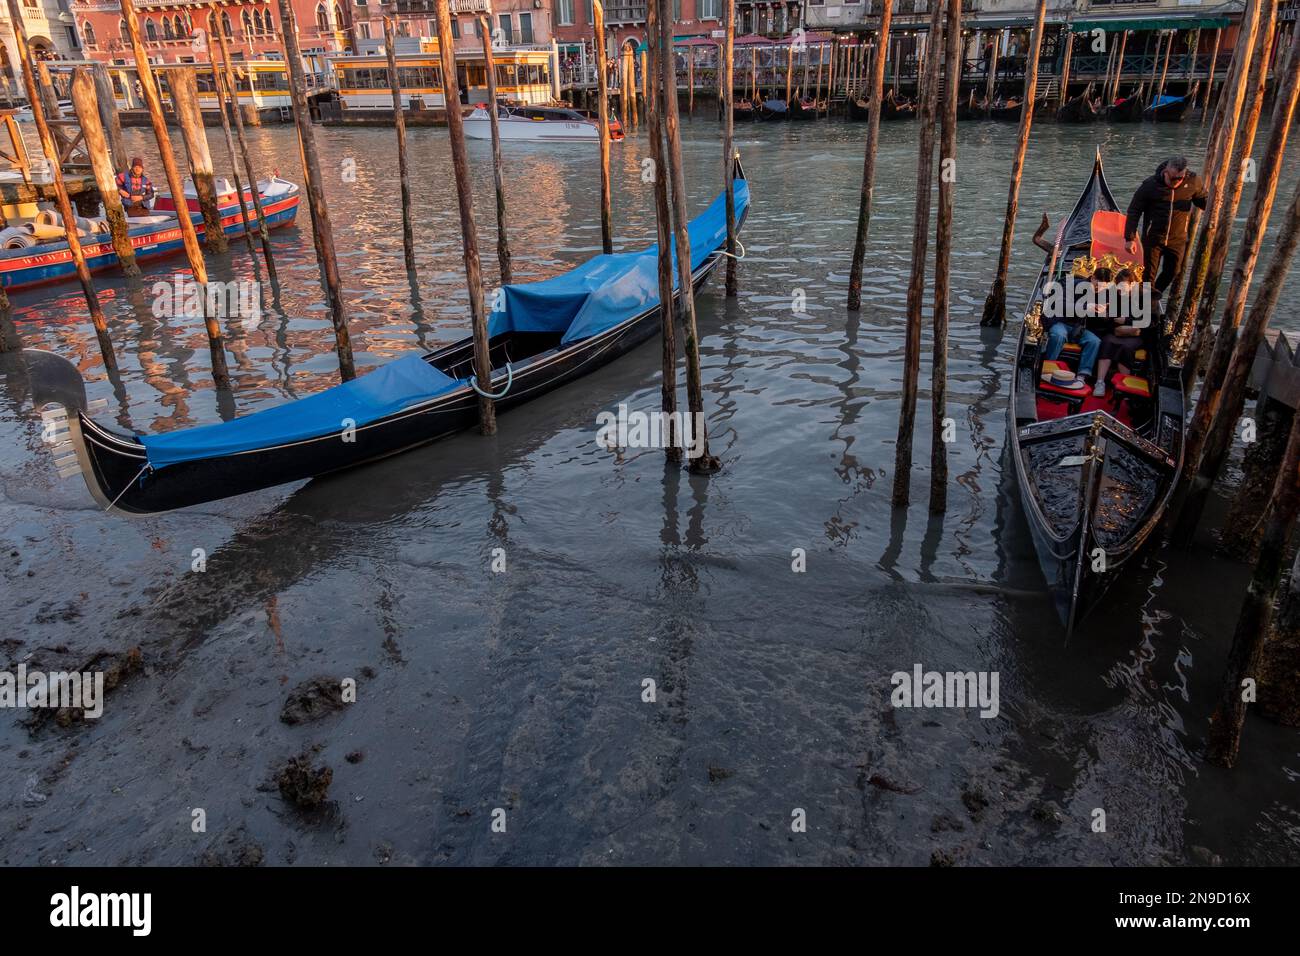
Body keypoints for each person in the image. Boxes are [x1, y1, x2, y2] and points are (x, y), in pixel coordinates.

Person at [1124, 156, 1207, 314]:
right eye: (1173, 178)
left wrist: (1215, 204)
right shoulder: (1150, 185)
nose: (1176, 182)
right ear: (1166, 172)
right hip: (1153, 239)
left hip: (1178, 239)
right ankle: (1144, 309)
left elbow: (1202, 200)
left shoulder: (1193, 182)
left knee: (1173, 271)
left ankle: (1151, 297)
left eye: (1180, 178)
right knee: (1148, 276)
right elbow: (1134, 211)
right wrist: (1129, 238)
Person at [1042, 267, 1103, 390]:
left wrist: (1103, 313)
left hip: (1078, 328)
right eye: (1098, 285)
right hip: (1060, 321)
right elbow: (1061, 305)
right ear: (1092, 278)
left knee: (1094, 341)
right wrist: (1086, 307)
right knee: (1058, 335)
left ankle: (1082, 375)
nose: (1099, 289)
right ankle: (1048, 368)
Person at [1092, 268, 1146, 397]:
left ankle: (1123, 385)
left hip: (1135, 334)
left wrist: (1126, 320)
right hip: (1116, 332)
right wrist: (1106, 315)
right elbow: (1109, 320)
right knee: (1107, 341)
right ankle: (1100, 382)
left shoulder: (1144, 297)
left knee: (1125, 347)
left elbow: (1149, 322)